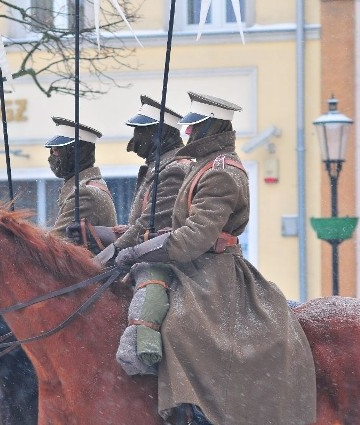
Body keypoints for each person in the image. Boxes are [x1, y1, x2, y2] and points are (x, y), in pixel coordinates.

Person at [115, 92, 317, 425]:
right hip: (191, 267)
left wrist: (138, 251)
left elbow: (194, 239)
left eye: (196, 127)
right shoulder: (201, 165)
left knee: (180, 326)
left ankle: (200, 413)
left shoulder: (221, 173)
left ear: (212, 128)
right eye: (189, 127)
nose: (189, 133)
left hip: (213, 270)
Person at [79, 96, 190, 374]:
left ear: (158, 134)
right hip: (144, 253)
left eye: (139, 133)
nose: (133, 142)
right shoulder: (158, 168)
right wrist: (106, 235)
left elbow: (152, 227)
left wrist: (115, 251)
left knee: (145, 304)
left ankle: (146, 361)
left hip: (166, 261)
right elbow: (140, 225)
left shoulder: (173, 170)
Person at [46, 116, 117, 252]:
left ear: (74, 153)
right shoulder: (87, 186)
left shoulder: (85, 194)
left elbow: (52, 246)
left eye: (56, 151)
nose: (51, 158)